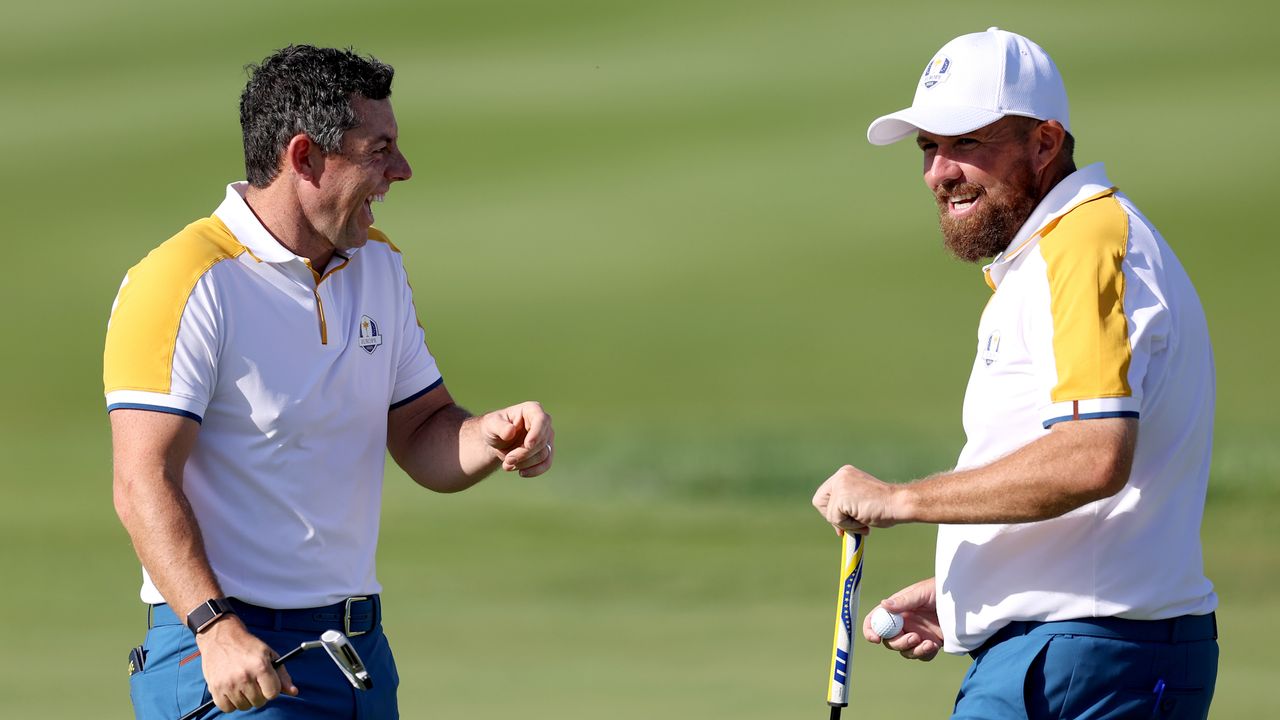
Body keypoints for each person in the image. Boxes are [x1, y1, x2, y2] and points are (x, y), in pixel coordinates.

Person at [105, 45, 555, 719]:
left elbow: (422, 431)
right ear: (305, 157)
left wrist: (488, 437)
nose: (401, 171)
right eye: (379, 150)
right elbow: (142, 482)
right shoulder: (182, 282)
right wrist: (215, 628)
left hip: (358, 651)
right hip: (238, 660)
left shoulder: (377, 265)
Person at [811, 28, 1217, 719]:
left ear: (1045, 143)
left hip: (1084, 656)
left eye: (967, 142)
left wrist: (899, 499)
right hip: (1079, 648)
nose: (939, 171)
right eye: (928, 148)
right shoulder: (1059, 250)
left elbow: (1093, 458)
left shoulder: (1085, 246)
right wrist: (975, 586)